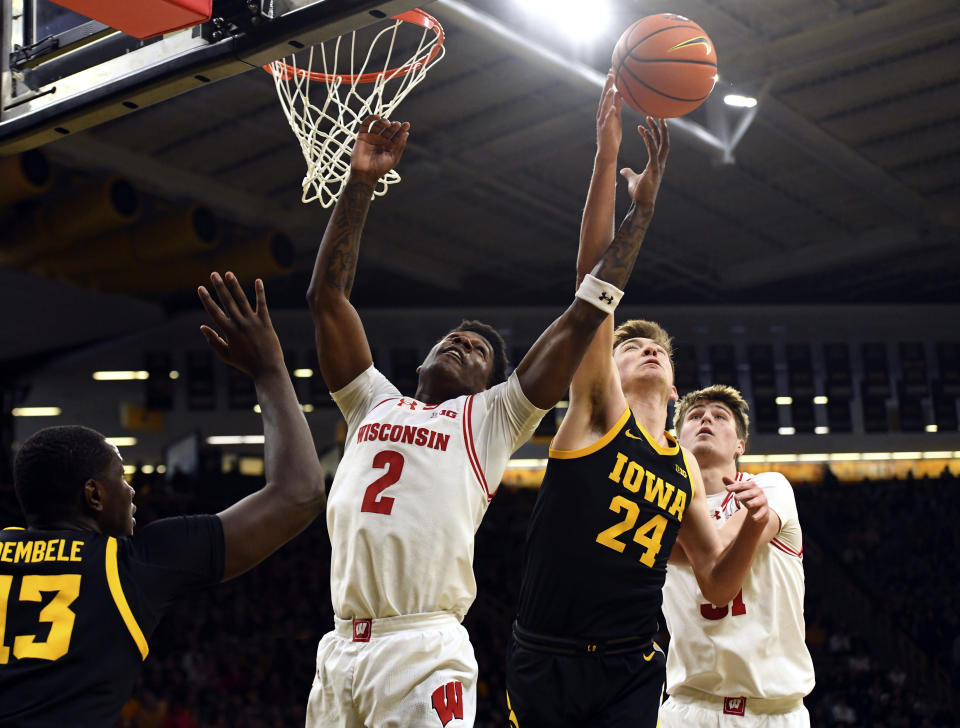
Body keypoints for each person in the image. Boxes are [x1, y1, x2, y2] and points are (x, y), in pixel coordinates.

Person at [304, 109, 668, 728]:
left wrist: (640, 216)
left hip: (422, 647)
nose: (464, 343)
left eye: (481, 351)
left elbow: (584, 315)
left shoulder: (490, 419)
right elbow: (328, 298)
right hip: (339, 648)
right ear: (421, 359)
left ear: (495, 382)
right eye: (455, 337)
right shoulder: (371, 399)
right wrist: (361, 181)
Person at [506, 73, 771, 727]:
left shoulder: (679, 466)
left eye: (659, 350)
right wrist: (616, 172)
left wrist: (756, 529)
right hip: (549, 656)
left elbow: (716, 580)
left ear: (674, 387)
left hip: (631, 663)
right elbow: (591, 282)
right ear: (608, 371)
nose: (647, 349)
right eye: (630, 346)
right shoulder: (597, 410)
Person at [0, 274, 325, 726]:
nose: (131, 489)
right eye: (121, 477)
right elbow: (299, 493)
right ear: (92, 494)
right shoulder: (133, 565)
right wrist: (269, 370)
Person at [660, 384, 816, 726]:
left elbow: (715, 553)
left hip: (774, 711)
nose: (706, 420)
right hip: (689, 708)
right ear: (677, 441)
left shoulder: (771, 487)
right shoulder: (663, 503)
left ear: (740, 445)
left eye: (720, 416)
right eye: (695, 416)